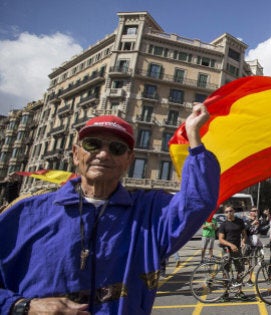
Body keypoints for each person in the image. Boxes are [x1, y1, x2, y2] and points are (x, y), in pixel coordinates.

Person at [0, 104, 219, 315]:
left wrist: (194, 137)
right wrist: (21, 307)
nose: (104, 154)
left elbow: (198, 201)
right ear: (76, 154)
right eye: (93, 145)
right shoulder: (25, 214)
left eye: (116, 148)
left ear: (128, 161)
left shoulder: (149, 212)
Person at [217, 206, 247, 300]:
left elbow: (244, 234)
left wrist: (243, 241)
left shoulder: (239, 222)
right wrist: (230, 245)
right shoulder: (223, 224)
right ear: (225, 213)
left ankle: (239, 291)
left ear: (233, 211)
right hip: (226, 250)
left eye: (230, 211)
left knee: (240, 270)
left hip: (237, 250)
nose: (228, 213)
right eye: (226, 211)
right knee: (225, 272)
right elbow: (221, 239)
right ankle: (226, 293)